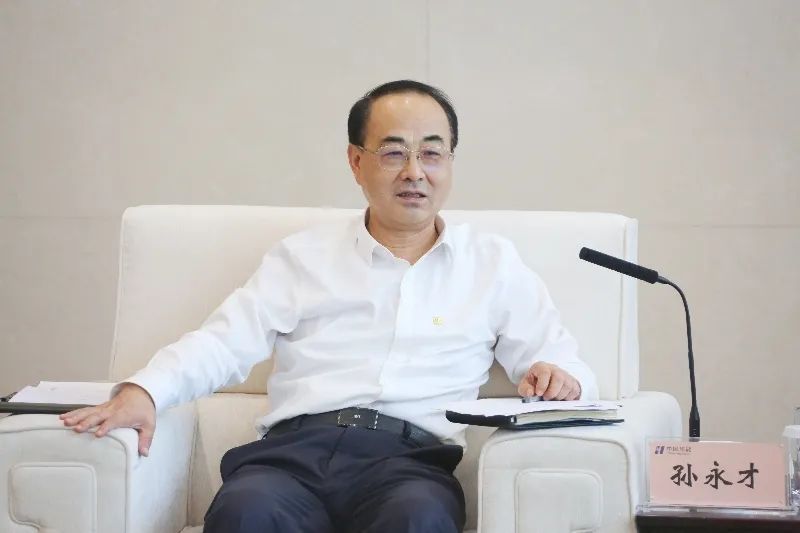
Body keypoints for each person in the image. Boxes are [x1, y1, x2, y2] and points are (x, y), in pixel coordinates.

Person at [61, 80, 598, 533]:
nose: (415, 171)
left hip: (410, 465)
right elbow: (223, 342)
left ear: (450, 163)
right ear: (356, 162)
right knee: (246, 511)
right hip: (291, 458)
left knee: (419, 519)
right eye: (394, 152)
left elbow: (563, 363)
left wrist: (560, 378)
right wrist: (145, 391)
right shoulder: (304, 257)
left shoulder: (493, 265)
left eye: (432, 153)